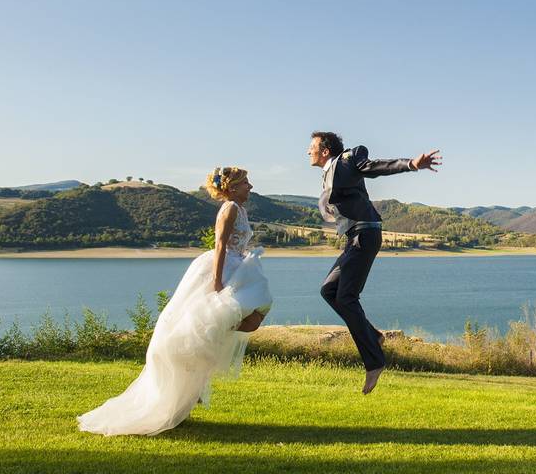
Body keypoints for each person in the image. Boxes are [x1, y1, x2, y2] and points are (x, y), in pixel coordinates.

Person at [77, 167, 272, 436]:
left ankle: (194, 383)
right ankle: (188, 385)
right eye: (246, 183)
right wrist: (216, 281)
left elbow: (236, 243)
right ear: (233, 187)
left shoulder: (240, 209)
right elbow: (219, 245)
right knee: (209, 326)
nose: (250, 187)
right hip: (221, 269)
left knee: (250, 315)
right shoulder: (229, 209)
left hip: (237, 268)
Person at [308, 131, 441, 394]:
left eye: (311, 147)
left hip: (365, 234)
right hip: (354, 237)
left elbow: (375, 167)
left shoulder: (348, 158)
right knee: (329, 291)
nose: (307, 151)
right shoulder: (327, 173)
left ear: (325, 151)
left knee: (346, 297)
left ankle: (374, 361)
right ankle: (374, 336)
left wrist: (411, 164)